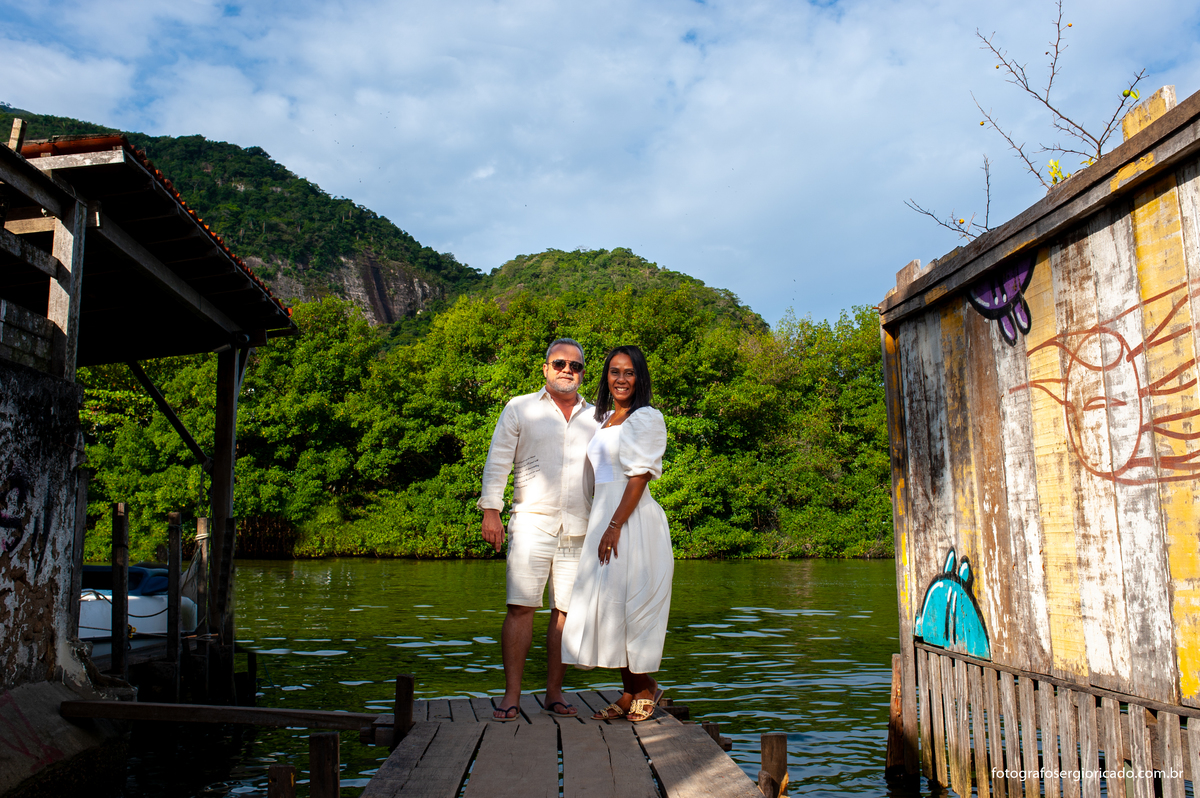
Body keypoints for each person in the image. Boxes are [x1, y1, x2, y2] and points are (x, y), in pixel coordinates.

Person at [478, 338, 601, 721]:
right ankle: (511, 695)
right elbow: (498, 460)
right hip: (531, 522)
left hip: (580, 528)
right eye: (560, 363)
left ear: (583, 373)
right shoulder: (520, 408)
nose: (568, 370)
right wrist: (491, 510)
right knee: (521, 607)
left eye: (575, 366)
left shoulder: (598, 417)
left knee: (565, 612)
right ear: (546, 368)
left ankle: (554, 693)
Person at [562, 345, 673, 722]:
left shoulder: (646, 418)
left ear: (639, 378)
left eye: (628, 372)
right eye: (614, 372)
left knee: (632, 604)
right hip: (604, 518)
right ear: (606, 378)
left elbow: (639, 476)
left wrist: (614, 525)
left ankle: (646, 688)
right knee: (609, 606)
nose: (621, 379)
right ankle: (630, 690)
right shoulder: (604, 418)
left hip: (632, 520)